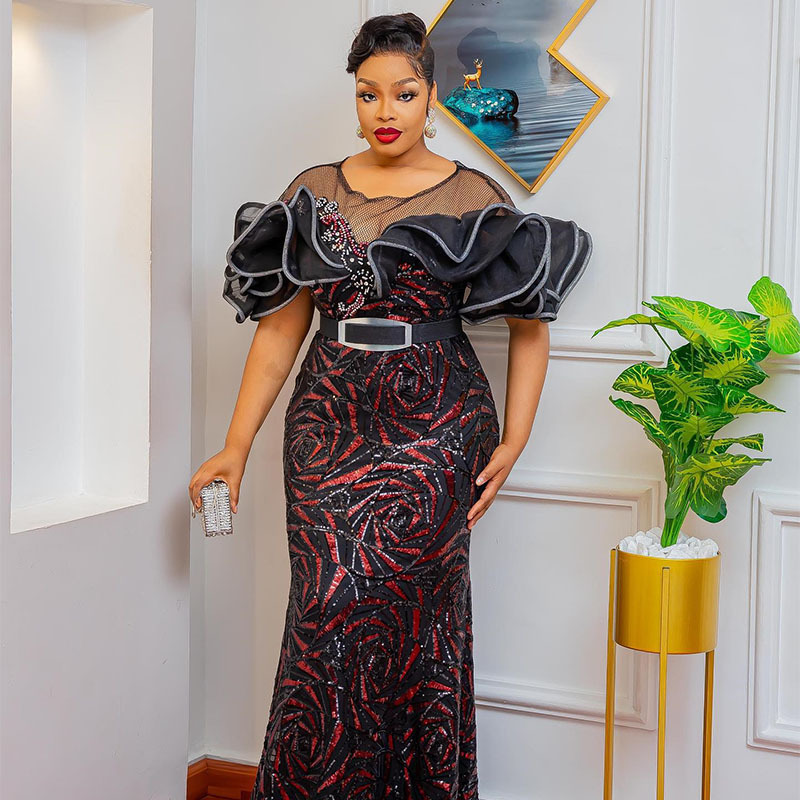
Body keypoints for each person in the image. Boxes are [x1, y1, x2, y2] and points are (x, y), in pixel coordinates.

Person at [189, 12, 593, 800]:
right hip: (327, 423)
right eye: (368, 94)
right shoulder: (313, 192)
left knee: (419, 624)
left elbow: (530, 324)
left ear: (432, 96)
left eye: (403, 94)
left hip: (437, 431)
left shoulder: (474, 194)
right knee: (325, 608)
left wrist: (516, 438)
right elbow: (280, 331)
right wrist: (235, 445)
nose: (385, 111)